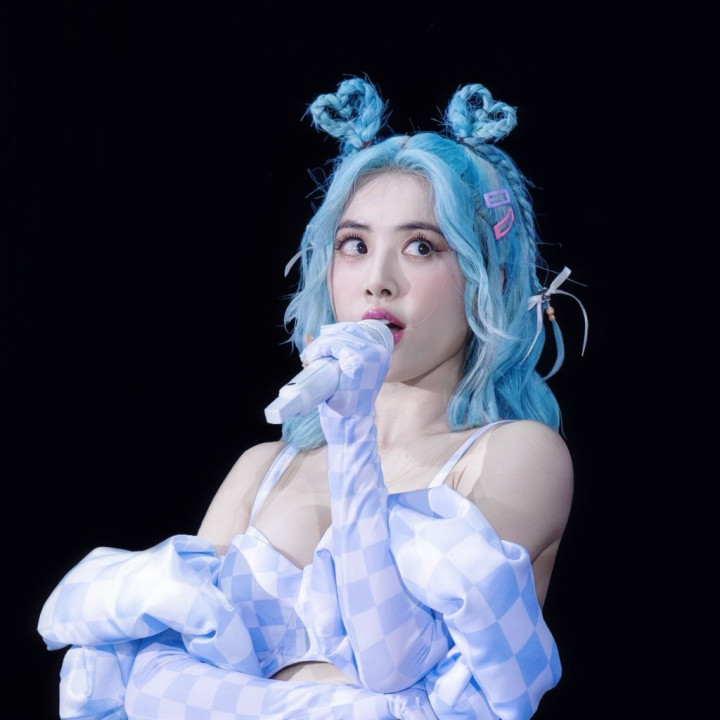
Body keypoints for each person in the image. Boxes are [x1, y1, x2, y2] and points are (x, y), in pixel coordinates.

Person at [38, 76, 587, 719]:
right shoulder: (261, 469)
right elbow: (152, 682)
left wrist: (352, 436)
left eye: (421, 247)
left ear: (488, 274)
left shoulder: (518, 455)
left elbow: (392, 660)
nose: (378, 281)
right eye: (355, 245)